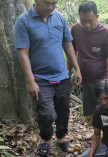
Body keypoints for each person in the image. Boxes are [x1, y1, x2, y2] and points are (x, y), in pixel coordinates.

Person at [14, 0, 82, 156]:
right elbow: (23, 53)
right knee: (46, 113)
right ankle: (45, 139)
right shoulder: (23, 21)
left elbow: (68, 44)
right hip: (40, 78)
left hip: (62, 75)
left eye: (54, 3)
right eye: (47, 3)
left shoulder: (58, 17)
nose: (51, 7)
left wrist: (77, 69)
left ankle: (61, 137)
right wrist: (30, 80)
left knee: (63, 109)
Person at [70, 1, 108, 125]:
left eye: (90, 21)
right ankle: (96, 132)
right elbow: (71, 53)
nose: (86, 25)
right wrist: (69, 72)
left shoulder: (106, 34)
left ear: (97, 17)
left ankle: (106, 135)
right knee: (90, 109)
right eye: (83, 20)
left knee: (104, 108)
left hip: (101, 80)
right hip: (85, 79)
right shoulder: (75, 29)